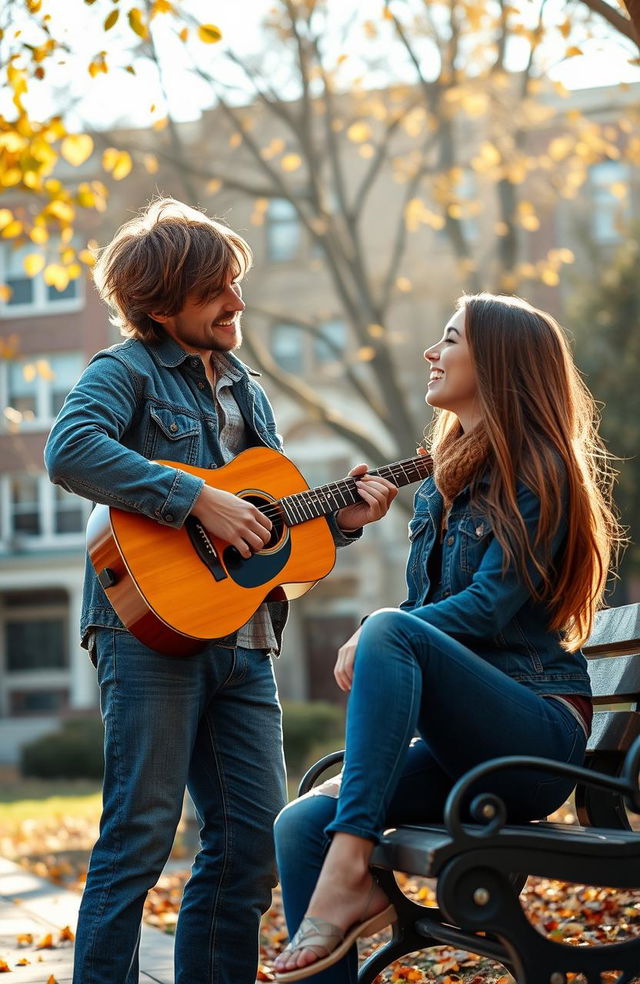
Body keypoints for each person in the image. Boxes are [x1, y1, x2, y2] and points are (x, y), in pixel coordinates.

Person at [44, 197, 397, 984]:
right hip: (147, 633)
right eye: (215, 292)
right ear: (159, 307)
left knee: (248, 849)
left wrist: (342, 521)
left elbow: (273, 533)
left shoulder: (249, 391)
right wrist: (193, 497)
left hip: (245, 640)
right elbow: (70, 451)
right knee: (138, 838)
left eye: (235, 283)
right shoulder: (124, 370)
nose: (237, 302)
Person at [272, 292, 623, 983]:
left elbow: (487, 608)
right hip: (462, 746)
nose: (431, 354)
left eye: (449, 340)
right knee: (296, 825)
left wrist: (378, 632)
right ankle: (342, 875)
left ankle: (350, 867)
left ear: (496, 362)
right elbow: (423, 613)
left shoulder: (541, 471)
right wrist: (383, 624)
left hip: (534, 739)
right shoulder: (439, 487)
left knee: (389, 627)